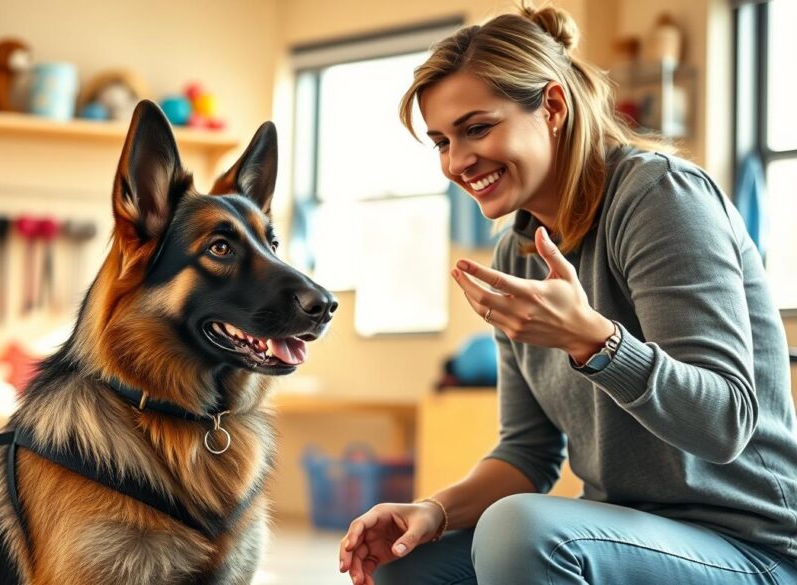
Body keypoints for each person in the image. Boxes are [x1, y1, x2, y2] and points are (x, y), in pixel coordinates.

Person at [338, 3, 797, 584]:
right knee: (405, 567)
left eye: (477, 128)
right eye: (441, 141)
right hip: (627, 530)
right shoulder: (516, 253)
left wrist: (595, 341)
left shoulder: (660, 197)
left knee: (519, 530)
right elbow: (526, 452)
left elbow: (724, 423)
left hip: (754, 549)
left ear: (552, 106)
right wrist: (434, 510)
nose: (457, 161)